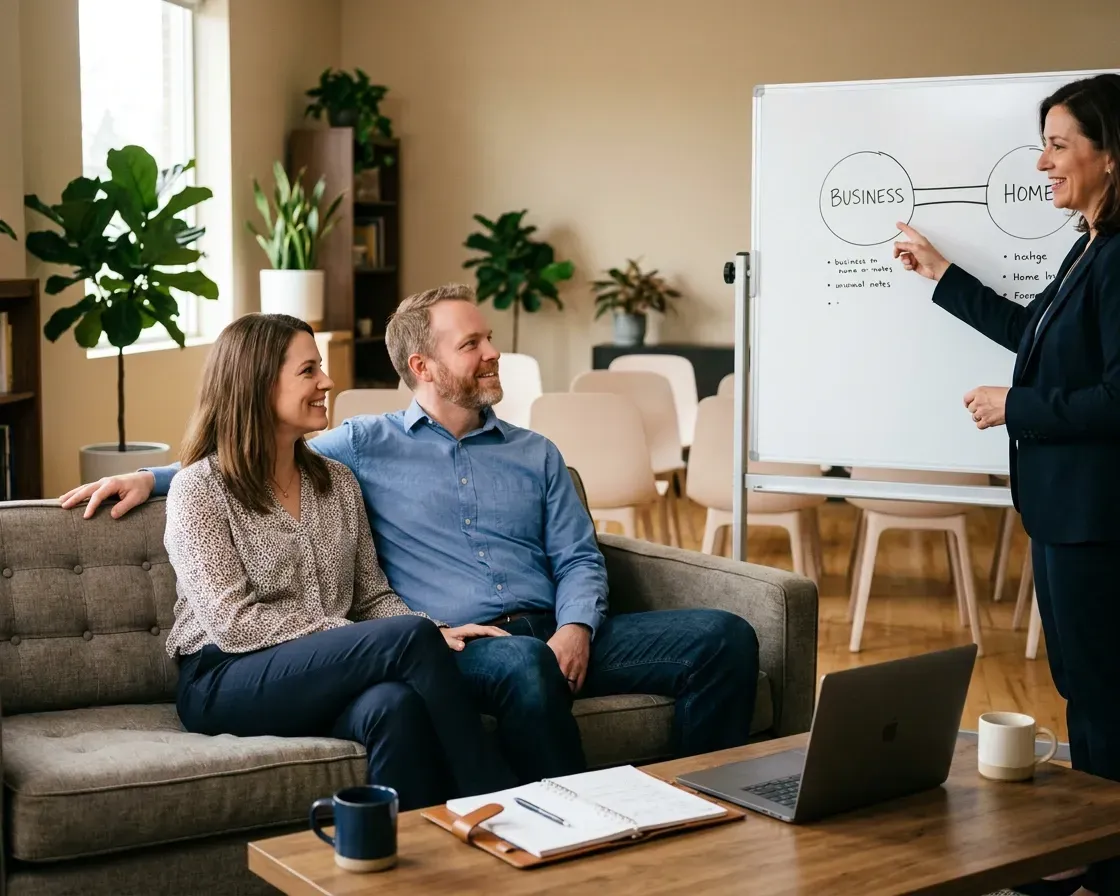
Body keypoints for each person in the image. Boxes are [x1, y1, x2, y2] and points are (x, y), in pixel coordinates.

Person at [61, 285, 760, 785]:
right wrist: (149, 477)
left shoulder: (340, 480)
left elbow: (377, 597)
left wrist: (571, 625)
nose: (493, 352)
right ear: (423, 366)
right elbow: (237, 599)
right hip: (247, 664)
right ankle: (533, 802)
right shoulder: (355, 447)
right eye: (473, 343)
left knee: (724, 637)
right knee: (509, 662)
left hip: (517, 631)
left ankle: (690, 809)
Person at [893, 73, 1120, 896]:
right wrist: (942, 274)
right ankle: (1102, 860)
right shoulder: (1090, 243)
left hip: (1099, 522)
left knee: (1103, 697)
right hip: (1066, 515)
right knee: (1085, 691)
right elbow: (1036, 334)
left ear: (1111, 155)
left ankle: (1109, 868)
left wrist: (1015, 403)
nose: (1043, 162)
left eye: (1060, 145)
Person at [155, 311, 516, 811]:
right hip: (222, 677)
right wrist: (366, 638)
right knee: (407, 640)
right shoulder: (200, 489)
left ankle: (408, 866)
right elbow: (234, 625)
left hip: (317, 671)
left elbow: (371, 596)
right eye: (308, 371)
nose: (327, 381)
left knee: (395, 706)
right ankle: (501, 806)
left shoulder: (337, 483)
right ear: (257, 385)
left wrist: (434, 627)